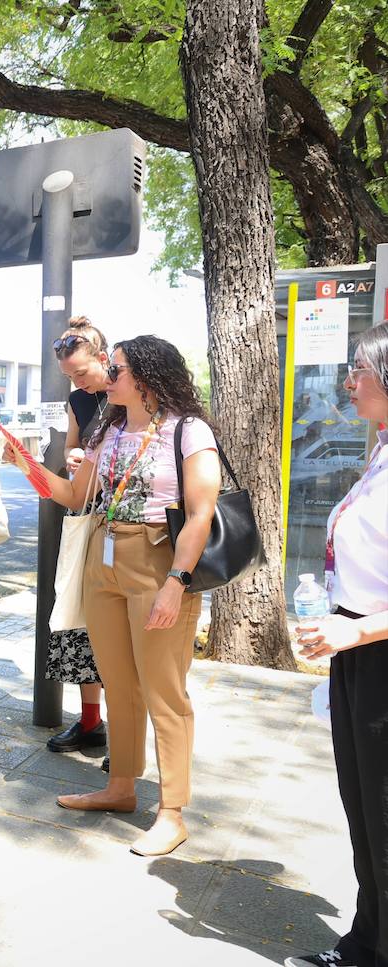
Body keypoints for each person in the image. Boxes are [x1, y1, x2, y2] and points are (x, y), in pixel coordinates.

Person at [20, 335, 219, 857]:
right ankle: (121, 788)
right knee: (118, 683)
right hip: (103, 561)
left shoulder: (188, 429)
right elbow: (72, 495)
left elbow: (201, 514)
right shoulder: (108, 428)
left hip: (157, 561)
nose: (110, 376)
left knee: (163, 690)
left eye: (119, 369)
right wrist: (25, 464)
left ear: (147, 376)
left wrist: (176, 582)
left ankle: (172, 811)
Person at [285, 322, 388, 967]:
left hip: (374, 648)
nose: (349, 382)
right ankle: (368, 942)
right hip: (356, 650)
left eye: (360, 369)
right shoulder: (380, 452)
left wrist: (360, 628)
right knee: (363, 802)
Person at [45, 318, 110, 759]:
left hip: (123, 518)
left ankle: (121, 732)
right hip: (86, 509)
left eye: (82, 374)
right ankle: (91, 721)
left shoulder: (130, 395)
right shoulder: (78, 399)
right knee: (80, 621)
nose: (78, 384)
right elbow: (74, 447)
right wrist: (73, 456)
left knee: (113, 629)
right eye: (70, 377)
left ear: (104, 359)